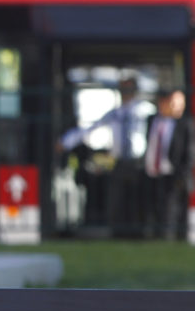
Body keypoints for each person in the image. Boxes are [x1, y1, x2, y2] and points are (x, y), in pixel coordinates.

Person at [60, 76, 153, 237]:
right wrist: (66, 142)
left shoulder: (145, 111)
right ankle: (118, 234)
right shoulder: (115, 114)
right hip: (119, 162)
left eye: (129, 88)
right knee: (116, 200)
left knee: (138, 200)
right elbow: (89, 129)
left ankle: (139, 234)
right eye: (123, 88)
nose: (126, 92)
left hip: (139, 163)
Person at [144, 89, 194, 240]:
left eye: (180, 103)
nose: (177, 107)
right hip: (152, 173)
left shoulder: (185, 124)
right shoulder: (151, 120)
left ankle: (170, 239)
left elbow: (189, 153)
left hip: (174, 175)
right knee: (152, 210)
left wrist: (182, 175)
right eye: (173, 102)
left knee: (171, 212)